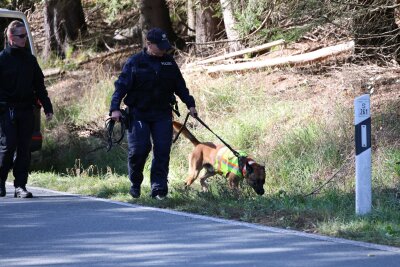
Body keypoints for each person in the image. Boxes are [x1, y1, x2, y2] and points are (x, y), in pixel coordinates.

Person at [110, 28, 197, 200]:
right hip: (138, 114)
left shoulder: (169, 63)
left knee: (162, 151)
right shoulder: (135, 62)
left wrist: (190, 104)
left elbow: (180, 86)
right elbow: (120, 87)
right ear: (149, 44)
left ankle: (159, 189)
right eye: (161, 46)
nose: (164, 49)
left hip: (162, 114)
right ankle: (135, 182)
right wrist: (115, 108)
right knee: (139, 150)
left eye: (166, 46)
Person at [0, 20, 53, 198]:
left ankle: (20, 186)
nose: (24, 39)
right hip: (7, 110)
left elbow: (39, 86)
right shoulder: (2, 59)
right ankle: (0, 182)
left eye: (25, 36)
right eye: (21, 36)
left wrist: (47, 107)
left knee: (24, 149)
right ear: (11, 37)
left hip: (26, 110)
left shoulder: (30, 61)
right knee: (7, 147)